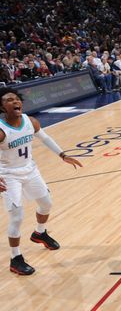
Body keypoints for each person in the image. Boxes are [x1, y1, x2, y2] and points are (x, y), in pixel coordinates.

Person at [0, 87, 83, 275]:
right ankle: (15, 258)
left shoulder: (30, 121)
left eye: (16, 99)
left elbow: (45, 138)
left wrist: (62, 155)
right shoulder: (1, 129)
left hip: (30, 169)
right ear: (2, 107)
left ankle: (40, 233)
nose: (14, 102)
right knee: (17, 216)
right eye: (8, 100)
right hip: (9, 175)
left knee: (46, 203)